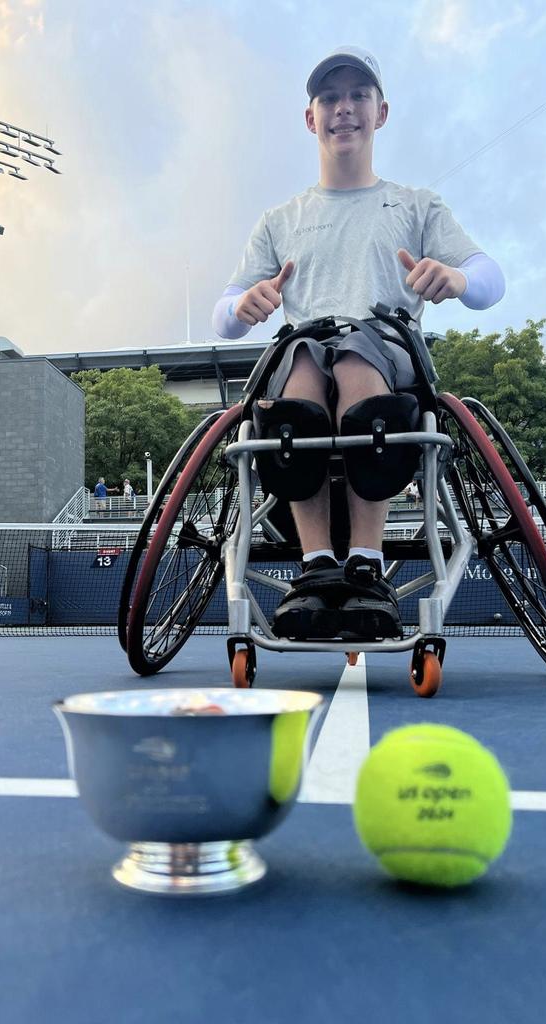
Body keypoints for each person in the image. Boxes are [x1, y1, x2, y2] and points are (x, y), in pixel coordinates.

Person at [212, 46, 504, 639]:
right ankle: (317, 564)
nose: (343, 108)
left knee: (354, 351)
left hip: (387, 353)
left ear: (381, 112)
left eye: (357, 96)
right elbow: (225, 316)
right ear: (311, 117)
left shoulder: (417, 205)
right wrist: (243, 307)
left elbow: (489, 279)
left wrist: (456, 278)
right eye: (329, 98)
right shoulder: (279, 219)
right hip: (305, 351)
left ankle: (367, 564)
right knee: (301, 359)